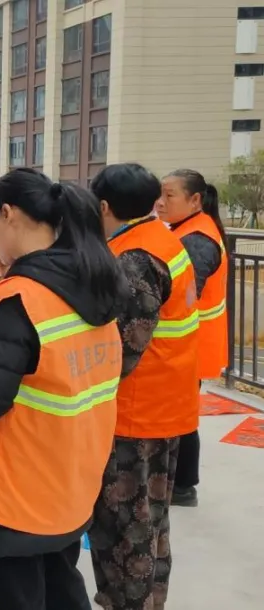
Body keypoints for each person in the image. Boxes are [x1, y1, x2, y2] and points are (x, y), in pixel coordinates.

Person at [0, 168, 127, 610]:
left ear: (7, 214)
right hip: (69, 484)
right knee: (60, 592)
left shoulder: (18, 299)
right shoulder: (91, 287)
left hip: (10, 497)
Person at [90, 163, 199, 610]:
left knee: (126, 527)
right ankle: (150, 601)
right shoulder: (162, 240)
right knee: (151, 520)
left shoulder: (134, 259)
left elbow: (123, 348)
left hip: (136, 415)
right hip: (164, 404)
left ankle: (129, 604)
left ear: (103, 206)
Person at [157, 169, 228, 509]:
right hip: (189, 340)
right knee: (179, 410)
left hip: (191, 341)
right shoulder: (188, 229)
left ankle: (184, 485)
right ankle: (181, 483)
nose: (160, 203)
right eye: (159, 195)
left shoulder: (198, 240)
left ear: (195, 199)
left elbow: (184, 293)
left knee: (180, 414)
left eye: (169, 195)